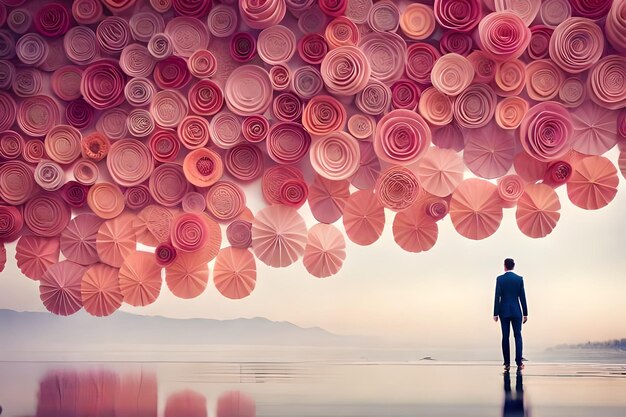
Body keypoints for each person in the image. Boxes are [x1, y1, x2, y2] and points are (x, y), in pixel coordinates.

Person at [493, 258, 528, 371]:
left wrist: (495, 313)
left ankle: (507, 363)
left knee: (505, 337)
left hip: (504, 311)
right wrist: (525, 313)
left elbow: (497, 296)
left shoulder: (500, 279)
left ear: (505, 266)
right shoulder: (519, 279)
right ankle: (519, 362)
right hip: (517, 311)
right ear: (514, 266)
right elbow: (522, 296)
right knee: (517, 336)